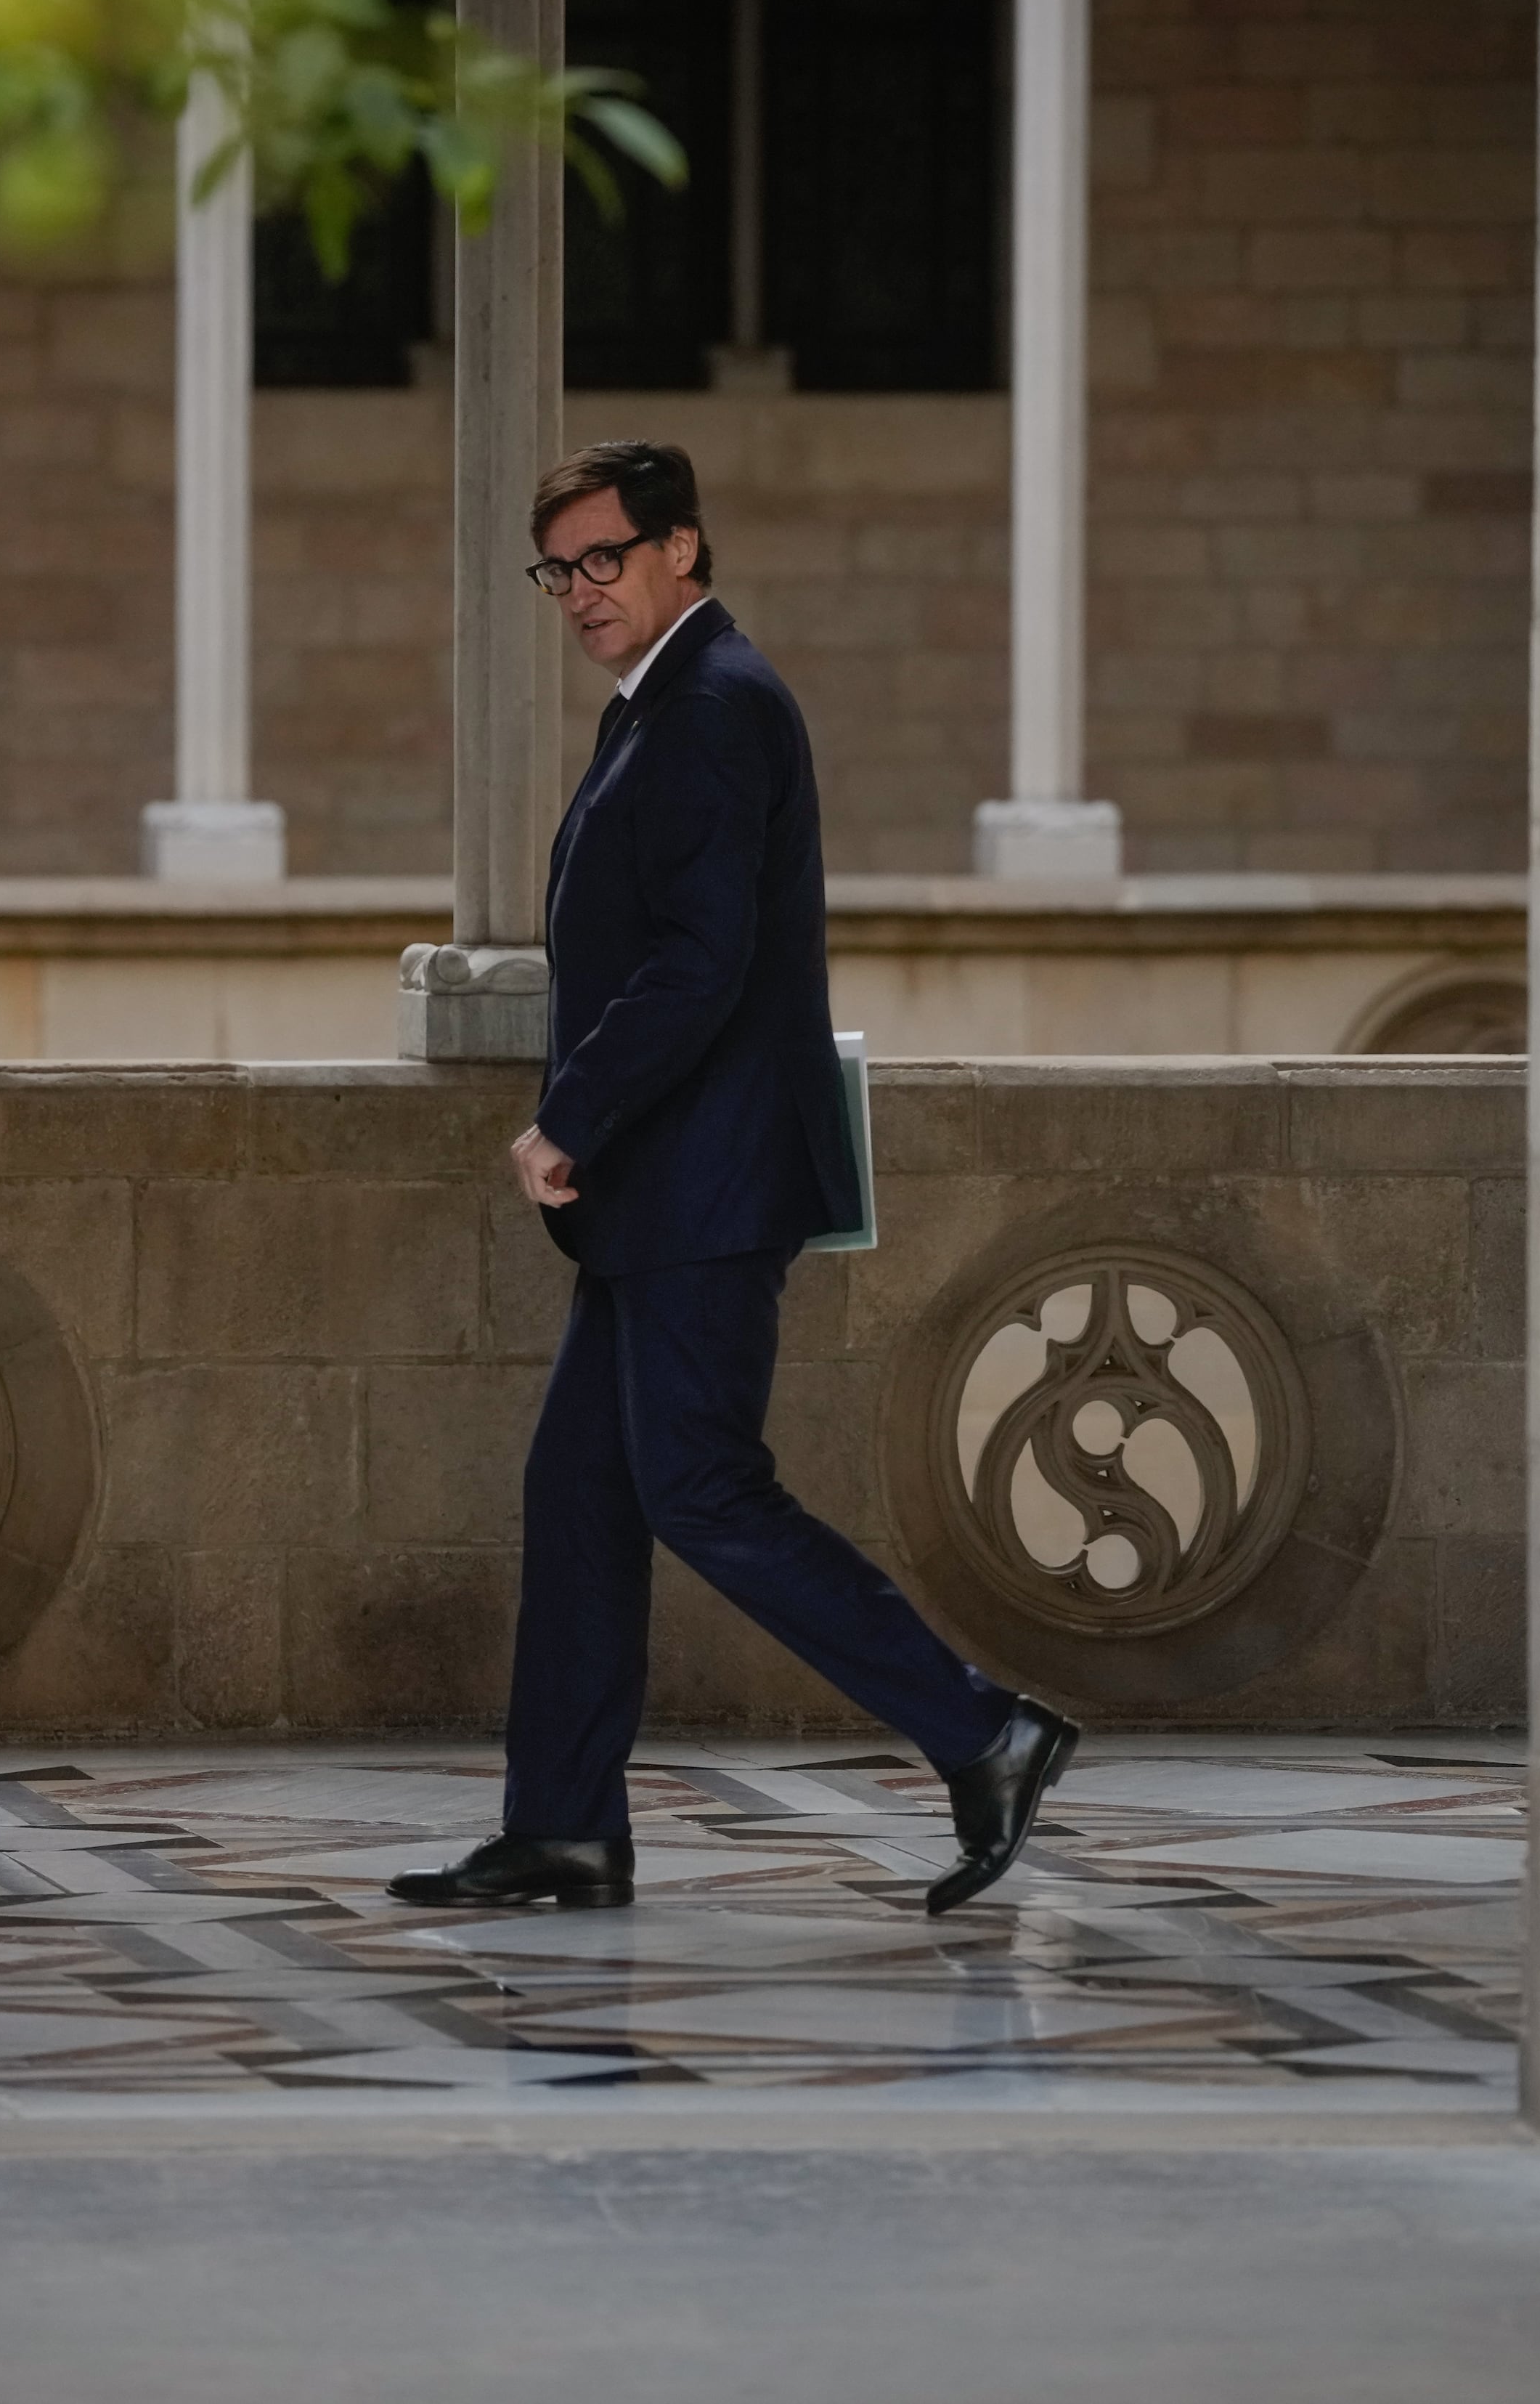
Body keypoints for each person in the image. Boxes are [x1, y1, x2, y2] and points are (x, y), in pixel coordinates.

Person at [386, 440, 1077, 1919]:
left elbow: (699, 962)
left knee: (701, 1486)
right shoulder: (667, 704)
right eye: (558, 568)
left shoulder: (709, 706)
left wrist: (566, 1113)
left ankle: (987, 1729)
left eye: (605, 559)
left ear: (680, 550)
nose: (579, 591)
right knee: (579, 1489)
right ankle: (564, 1826)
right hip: (665, 1193)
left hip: (701, 1184)